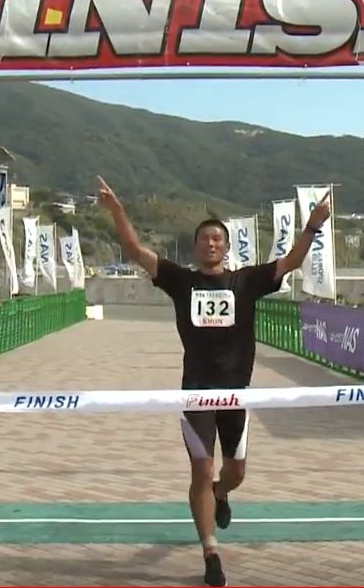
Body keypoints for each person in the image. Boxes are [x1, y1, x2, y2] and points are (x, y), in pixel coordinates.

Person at [97, 175, 331, 587]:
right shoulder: (181, 281)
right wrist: (116, 210)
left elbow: (291, 261)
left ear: (226, 246)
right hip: (196, 395)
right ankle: (210, 552)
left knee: (234, 473)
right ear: (195, 247)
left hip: (235, 395)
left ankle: (222, 495)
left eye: (217, 239)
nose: (211, 243)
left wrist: (313, 224)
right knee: (201, 471)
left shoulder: (246, 282)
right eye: (204, 238)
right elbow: (136, 251)